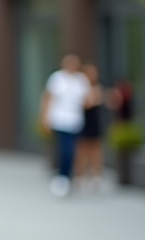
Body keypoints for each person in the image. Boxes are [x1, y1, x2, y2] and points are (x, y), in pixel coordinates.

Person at [40, 54, 91, 197]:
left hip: (75, 121)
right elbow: (48, 98)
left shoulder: (81, 80)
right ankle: (62, 177)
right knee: (65, 150)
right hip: (60, 120)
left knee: (73, 151)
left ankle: (67, 177)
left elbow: (87, 101)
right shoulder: (57, 78)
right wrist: (45, 117)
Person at [75, 62, 105, 191]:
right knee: (82, 151)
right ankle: (80, 177)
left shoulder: (97, 88)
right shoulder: (79, 88)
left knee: (95, 150)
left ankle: (96, 177)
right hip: (82, 122)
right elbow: (87, 103)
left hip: (94, 122)